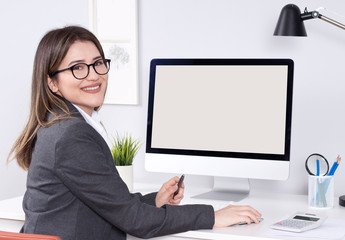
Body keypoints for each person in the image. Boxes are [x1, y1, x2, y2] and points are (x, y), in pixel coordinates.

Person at [7, 26, 261, 240]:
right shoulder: (71, 135)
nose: (93, 75)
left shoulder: (60, 122)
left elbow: (110, 202)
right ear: (52, 82)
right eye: (77, 68)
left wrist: (156, 200)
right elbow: (134, 221)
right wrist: (213, 216)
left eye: (97, 64)